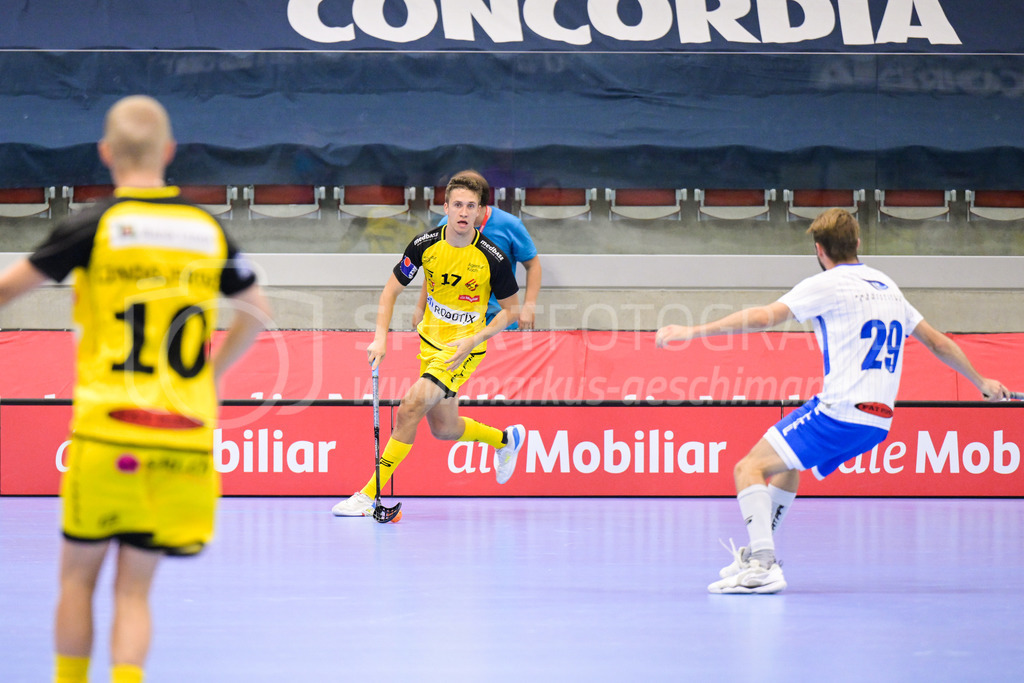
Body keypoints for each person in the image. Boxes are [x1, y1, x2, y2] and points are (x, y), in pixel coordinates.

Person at [0, 95, 270, 683]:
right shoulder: (206, 231)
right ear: (169, 152)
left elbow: (5, 291)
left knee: (76, 579)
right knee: (135, 593)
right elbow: (255, 311)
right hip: (183, 437)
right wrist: (213, 373)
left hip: (107, 432)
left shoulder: (93, 226)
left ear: (105, 153)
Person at [655, 208, 1008, 594]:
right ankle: (760, 550)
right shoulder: (888, 286)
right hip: (879, 420)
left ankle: (763, 567)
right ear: (858, 244)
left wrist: (692, 331)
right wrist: (981, 380)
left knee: (747, 469)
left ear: (820, 251)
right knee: (788, 465)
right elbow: (938, 342)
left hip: (840, 411)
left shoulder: (826, 284)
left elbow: (763, 318)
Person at [332, 174, 526, 517]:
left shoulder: (492, 258)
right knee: (444, 429)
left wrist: (475, 338)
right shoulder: (425, 244)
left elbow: (512, 311)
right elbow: (391, 290)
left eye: (471, 206)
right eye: (457, 205)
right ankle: (505, 440)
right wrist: (381, 336)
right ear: (446, 208)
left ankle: (366, 496)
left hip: (462, 350)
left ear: (480, 212)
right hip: (430, 343)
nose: (463, 213)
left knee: (409, 408)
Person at [412, 169, 542, 330]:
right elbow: (434, 269)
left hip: (498, 321)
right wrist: (421, 308)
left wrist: (529, 306)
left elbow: (533, 264)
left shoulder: (510, 225)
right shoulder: (446, 223)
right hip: (454, 320)